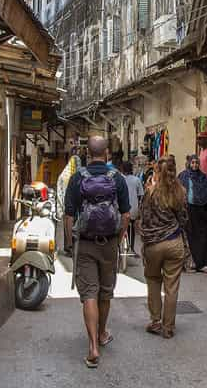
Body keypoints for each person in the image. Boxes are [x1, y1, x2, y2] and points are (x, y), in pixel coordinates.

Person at [64, 136, 131, 368]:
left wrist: (71, 243)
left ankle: (92, 347)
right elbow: (126, 215)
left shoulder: (77, 179)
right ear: (107, 154)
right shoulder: (118, 179)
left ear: (87, 153)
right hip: (110, 242)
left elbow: (69, 215)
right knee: (105, 292)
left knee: (89, 294)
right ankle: (102, 333)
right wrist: (119, 238)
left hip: (85, 242)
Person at [140, 158, 188, 339]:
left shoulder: (150, 193)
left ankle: (155, 322)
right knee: (172, 286)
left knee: (153, 280)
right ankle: (168, 327)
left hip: (153, 245)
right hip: (174, 242)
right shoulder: (180, 192)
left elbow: (143, 219)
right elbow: (184, 219)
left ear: (157, 172)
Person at [179, 155, 207, 273]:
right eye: (192, 163)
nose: (194, 165)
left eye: (196, 163)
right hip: (188, 210)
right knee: (190, 236)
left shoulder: (203, 177)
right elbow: (179, 192)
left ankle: (202, 263)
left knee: (203, 235)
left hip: (201, 210)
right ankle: (192, 262)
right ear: (189, 163)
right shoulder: (183, 176)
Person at [121, 161, 144, 257]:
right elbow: (140, 195)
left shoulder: (120, 179)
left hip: (122, 209)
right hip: (133, 209)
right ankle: (132, 248)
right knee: (132, 228)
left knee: (121, 226)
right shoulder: (136, 180)